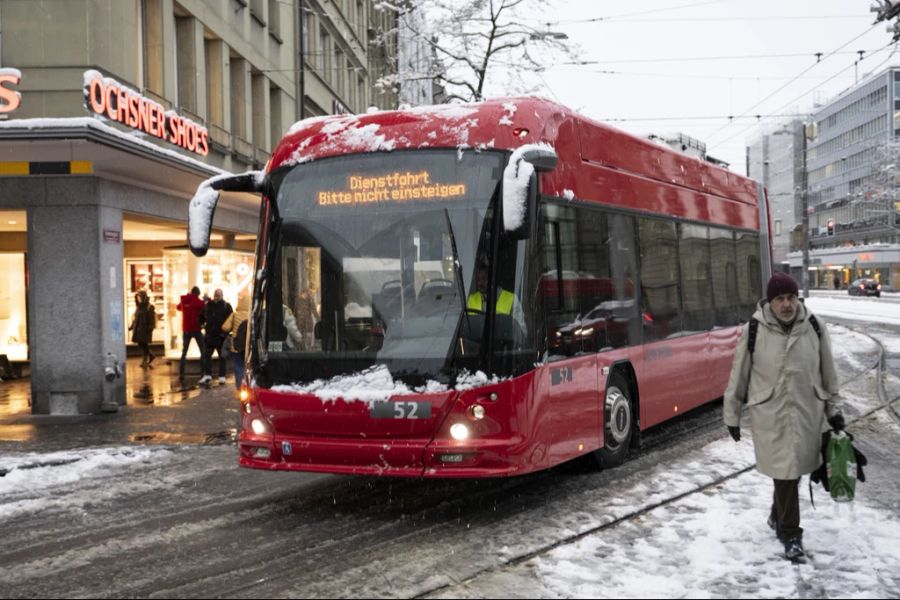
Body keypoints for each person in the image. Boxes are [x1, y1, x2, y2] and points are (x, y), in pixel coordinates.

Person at [723, 272, 844, 561]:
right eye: (780, 299)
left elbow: (829, 373)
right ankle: (791, 534)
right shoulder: (754, 328)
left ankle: (777, 515)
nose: (787, 304)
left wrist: (835, 411)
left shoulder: (814, 325)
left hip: (807, 411)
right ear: (770, 301)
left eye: (791, 298)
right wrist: (732, 414)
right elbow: (738, 375)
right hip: (771, 414)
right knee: (786, 473)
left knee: (793, 471)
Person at [466, 260, 525, 331]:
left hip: (503, 341)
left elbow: (521, 332)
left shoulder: (512, 300)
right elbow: (465, 328)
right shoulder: (470, 300)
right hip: (475, 342)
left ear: (493, 279)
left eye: (484, 278)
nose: (480, 283)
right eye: (478, 279)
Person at [200, 288, 233, 385]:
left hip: (220, 336)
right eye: (215, 295)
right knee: (207, 356)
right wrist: (202, 325)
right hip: (210, 336)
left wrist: (227, 332)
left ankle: (222, 376)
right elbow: (201, 317)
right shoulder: (208, 306)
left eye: (218, 295)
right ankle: (208, 375)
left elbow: (231, 319)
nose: (216, 297)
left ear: (222, 296)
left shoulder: (226, 306)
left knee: (222, 357)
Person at [177, 286, 206, 381]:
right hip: (197, 329)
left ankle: (181, 373)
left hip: (186, 330)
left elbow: (178, 307)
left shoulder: (184, 301)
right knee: (203, 350)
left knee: (184, 352)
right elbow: (204, 307)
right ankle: (203, 372)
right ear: (198, 293)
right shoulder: (199, 302)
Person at [223, 294, 250, 390]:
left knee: (238, 367)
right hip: (249, 346)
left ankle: (240, 388)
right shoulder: (252, 314)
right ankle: (249, 388)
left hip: (236, 346)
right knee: (250, 368)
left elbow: (225, 327)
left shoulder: (234, 314)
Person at [129, 290, 156, 368]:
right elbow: (135, 318)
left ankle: (145, 359)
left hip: (145, 330)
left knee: (144, 345)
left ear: (143, 297)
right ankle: (150, 356)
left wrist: (150, 328)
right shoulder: (139, 306)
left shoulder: (149, 307)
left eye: (139, 297)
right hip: (138, 329)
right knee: (142, 344)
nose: (138, 299)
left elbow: (152, 319)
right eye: (137, 298)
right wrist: (131, 326)